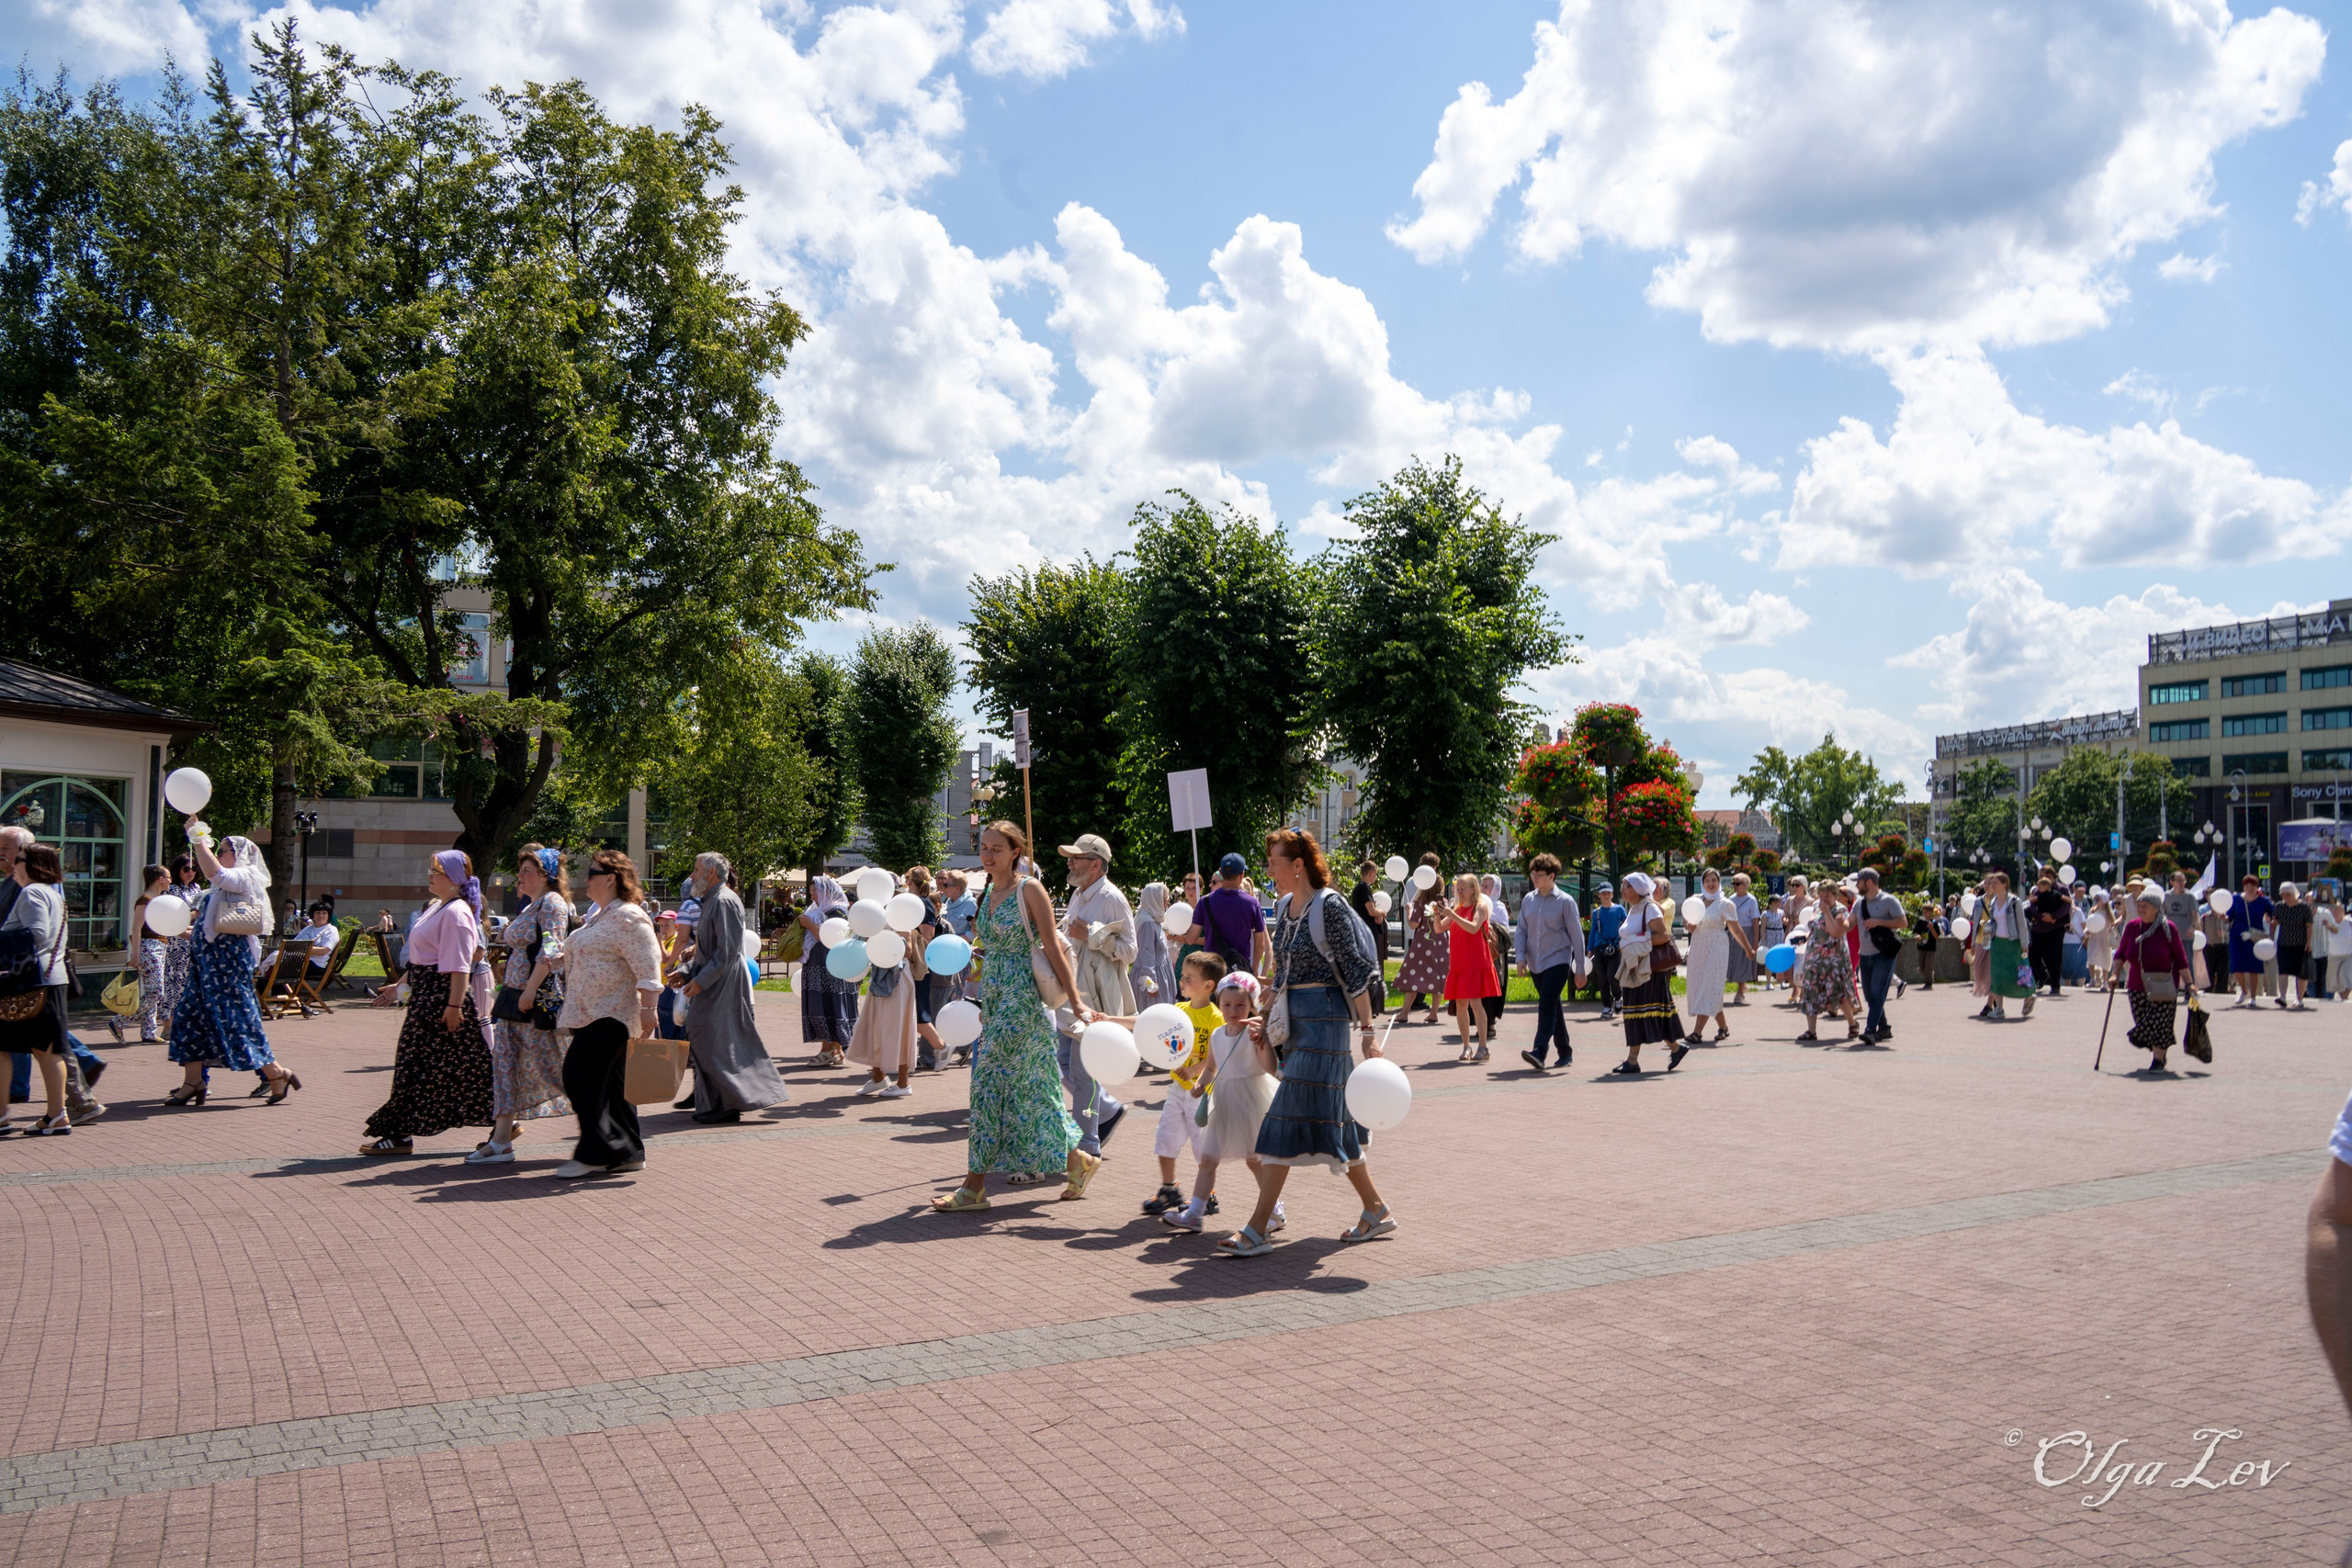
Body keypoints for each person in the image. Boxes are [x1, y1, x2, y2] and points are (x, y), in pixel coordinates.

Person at [1223, 827, 1387, 1258]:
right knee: (1336, 1122)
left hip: (1327, 1024)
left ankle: (1258, 1227)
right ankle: (1376, 1208)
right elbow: (1282, 973)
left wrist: (1368, 1034)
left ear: (1298, 865)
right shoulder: (1283, 906)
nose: (1269, 871)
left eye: (1275, 863)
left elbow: (1355, 972)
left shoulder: (1328, 905)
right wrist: (1265, 1016)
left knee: (1283, 1116)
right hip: (1296, 1023)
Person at [932, 821, 1095, 1212]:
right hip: (996, 998)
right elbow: (993, 946)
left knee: (989, 1090)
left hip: (1022, 1002)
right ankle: (1078, 1160)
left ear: (1015, 852)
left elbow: (1052, 947)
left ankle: (974, 1187)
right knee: (1032, 1093)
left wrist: (1075, 1000)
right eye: (984, 848)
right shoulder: (989, 890)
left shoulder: (1029, 889)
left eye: (997, 849)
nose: (988, 855)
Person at [356, 851, 490, 1155]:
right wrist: (400, 987)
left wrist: (454, 1007)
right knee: (441, 1066)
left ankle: (502, 1123)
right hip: (428, 998)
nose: (429, 875)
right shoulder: (439, 907)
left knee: (448, 1067)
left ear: (453, 878)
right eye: (429, 869)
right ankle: (502, 1122)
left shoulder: (456, 913)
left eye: (435, 871)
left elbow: (460, 966)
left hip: (442, 999)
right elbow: (421, 960)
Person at [156, 825, 296, 1111]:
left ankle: (276, 1074)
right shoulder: (218, 889)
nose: (218, 854)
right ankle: (193, 1082)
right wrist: (189, 931)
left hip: (228, 964)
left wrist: (198, 839)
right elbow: (211, 925)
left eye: (223, 850)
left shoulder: (245, 876)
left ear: (241, 854)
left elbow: (216, 872)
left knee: (237, 1022)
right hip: (205, 964)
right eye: (217, 850)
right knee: (189, 1018)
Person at [552, 852, 662, 1178]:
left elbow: (648, 963)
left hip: (611, 1015)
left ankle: (597, 1153)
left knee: (579, 1077)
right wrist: (558, 960)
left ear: (611, 878)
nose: (585, 879)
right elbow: (595, 953)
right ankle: (629, 1152)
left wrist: (650, 1010)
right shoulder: (600, 915)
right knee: (613, 1088)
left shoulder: (629, 916)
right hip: (589, 1013)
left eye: (592, 873)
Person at [471, 844, 573, 1164]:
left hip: (533, 1002)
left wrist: (530, 990)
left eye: (526, 871)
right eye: (520, 870)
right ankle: (501, 1141)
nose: (519, 876)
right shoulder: (531, 905)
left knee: (553, 1068)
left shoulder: (552, 903)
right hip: (513, 1000)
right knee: (504, 1065)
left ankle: (602, 1120)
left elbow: (551, 950)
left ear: (545, 875)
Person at [1160, 970, 1283, 1235]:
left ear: (1252, 1005)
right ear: (1220, 1003)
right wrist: (1200, 1085)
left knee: (1255, 1161)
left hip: (1252, 1101)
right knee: (1208, 1159)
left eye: (1240, 1005)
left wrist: (1264, 1041)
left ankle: (1275, 1210)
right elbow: (1211, 1068)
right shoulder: (1217, 1034)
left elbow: (1270, 1068)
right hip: (1224, 1101)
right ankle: (1194, 1214)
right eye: (1227, 1004)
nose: (1233, 1010)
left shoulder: (1254, 1033)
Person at [678, 852, 789, 1122]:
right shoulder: (714, 899)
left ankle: (727, 1105)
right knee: (708, 1038)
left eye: (696, 870)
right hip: (715, 981)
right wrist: (686, 972)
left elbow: (726, 952)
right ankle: (717, 1104)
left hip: (722, 983)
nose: (692, 875)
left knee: (712, 1038)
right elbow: (707, 950)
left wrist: (699, 982)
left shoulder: (724, 900)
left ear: (711, 873)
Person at [1057, 832, 1134, 1156]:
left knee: (1083, 1070)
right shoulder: (1079, 894)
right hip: (1073, 995)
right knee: (1062, 1062)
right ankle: (1108, 1109)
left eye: (1077, 858)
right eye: (1071, 858)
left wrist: (1091, 934)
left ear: (1096, 864)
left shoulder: (1112, 897)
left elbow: (1130, 950)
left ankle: (1088, 1144)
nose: (1070, 863)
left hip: (1095, 998)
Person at [0, 843, 80, 1135]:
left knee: (3, 1048)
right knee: (47, 1051)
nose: (13, 865)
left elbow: (37, 934)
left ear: (32, 865)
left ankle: (2, 1116)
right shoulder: (53, 894)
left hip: (30, 983)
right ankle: (56, 1116)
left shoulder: (32, 892)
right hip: (50, 980)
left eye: (18, 859)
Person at [1144, 951, 1228, 1218]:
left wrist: (1194, 1069)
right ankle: (1169, 1189)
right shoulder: (1178, 1011)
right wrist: (1110, 1019)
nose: (1182, 981)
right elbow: (1145, 1023)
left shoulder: (1216, 1017)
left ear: (1208, 985)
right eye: (1183, 975)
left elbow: (1217, 1054)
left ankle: (1208, 1196)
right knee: (1165, 1138)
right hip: (1177, 1089)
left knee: (1201, 1147)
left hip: (1201, 1093)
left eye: (1189, 977)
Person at [846, 870, 922, 1102]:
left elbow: (907, 951)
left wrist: (883, 941)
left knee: (897, 1027)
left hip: (897, 977)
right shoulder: (874, 912)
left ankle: (903, 1082)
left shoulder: (899, 912)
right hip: (880, 975)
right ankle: (878, 1076)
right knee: (874, 1024)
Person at [1514, 853, 1588, 1071]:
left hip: (1558, 961)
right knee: (1552, 1004)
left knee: (1546, 1003)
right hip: (1535, 962)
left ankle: (1539, 1051)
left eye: (1540, 874)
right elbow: (1521, 931)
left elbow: (1577, 936)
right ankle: (1565, 1052)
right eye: (1533, 874)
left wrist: (1580, 968)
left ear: (1552, 876)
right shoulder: (1529, 900)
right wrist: (1520, 958)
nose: (1535, 878)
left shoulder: (1565, 902)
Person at [1610, 874, 1688, 1073]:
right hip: (1635, 966)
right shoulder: (1634, 908)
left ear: (1638, 889)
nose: (1622, 889)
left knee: (1646, 1012)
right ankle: (1674, 1049)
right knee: (1637, 1012)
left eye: (1626, 886)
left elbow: (1662, 936)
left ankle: (1633, 1061)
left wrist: (1634, 941)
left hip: (1649, 968)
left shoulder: (1649, 908)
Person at [2114, 886, 2192, 1072]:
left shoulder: (2168, 928)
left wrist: (2190, 983)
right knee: (2144, 1023)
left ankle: (2158, 1059)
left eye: (2145, 906)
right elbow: (2121, 953)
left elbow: (2180, 958)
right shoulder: (2132, 927)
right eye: (2139, 905)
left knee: (2160, 1023)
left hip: (2164, 985)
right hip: (2137, 984)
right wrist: (2115, 974)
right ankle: (2159, 1050)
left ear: (2156, 908)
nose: (2140, 909)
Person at [1682, 867, 1753, 1044]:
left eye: (1714, 880)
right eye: (1707, 880)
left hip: (1717, 947)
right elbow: (1688, 924)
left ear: (1719, 882)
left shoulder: (1725, 903)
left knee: (1709, 987)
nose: (1711, 884)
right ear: (1702, 883)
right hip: (1698, 947)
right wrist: (1689, 924)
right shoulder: (1695, 900)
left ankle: (1697, 1033)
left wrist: (1747, 948)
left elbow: (1736, 929)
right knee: (1704, 988)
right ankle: (1723, 1027)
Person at [797, 874, 860, 1066]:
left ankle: (829, 1049)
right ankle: (835, 1049)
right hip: (821, 967)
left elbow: (829, 937)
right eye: (811, 894)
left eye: (815, 893)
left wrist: (809, 924)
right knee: (825, 1004)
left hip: (830, 969)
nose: (813, 898)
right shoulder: (821, 910)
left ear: (825, 892)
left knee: (828, 1005)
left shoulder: (838, 912)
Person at [1437, 873, 1499, 1063]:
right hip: (1459, 963)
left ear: (1474, 889)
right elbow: (1439, 929)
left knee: (1475, 1003)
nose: (1460, 892)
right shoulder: (1458, 908)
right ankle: (1466, 1046)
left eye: (1463, 889)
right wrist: (1437, 914)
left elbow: (1473, 928)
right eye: (1458, 889)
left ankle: (1483, 1046)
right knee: (1461, 1004)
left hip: (1475, 962)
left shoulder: (1480, 906)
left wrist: (1452, 915)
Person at [1182, 852, 1270, 978]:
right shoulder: (1252, 903)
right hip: (1239, 972)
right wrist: (1254, 968)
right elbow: (1260, 943)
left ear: (1221, 873)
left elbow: (1190, 939)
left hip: (1211, 971)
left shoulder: (1205, 901)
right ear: (1242, 874)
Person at [1796, 886, 1860, 1043]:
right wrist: (1806, 936)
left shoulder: (1841, 910)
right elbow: (1816, 927)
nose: (1823, 899)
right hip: (1814, 956)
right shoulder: (1817, 907)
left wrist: (1826, 912)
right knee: (1811, 990)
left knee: (1838, 992)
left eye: (1827, 896)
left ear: (1835, 896)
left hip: (1834, 957)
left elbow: (1835, 932)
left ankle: (1852, 1023)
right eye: (1821, 895)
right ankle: (1811, 1031)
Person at [1849, 867, 1905, 1043]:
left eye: (1859, 882)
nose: (1856, 886)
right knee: (1869, 995)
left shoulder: (1889, 900)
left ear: (1869, 882)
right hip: (1864, 955)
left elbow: (1903, 922)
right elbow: (1849, 923)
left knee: (1877, 992)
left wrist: (1878, 922)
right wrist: (1835, 920)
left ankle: (1870, 1030)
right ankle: (1884, 1028)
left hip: (1883, 954)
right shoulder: (1859, 904)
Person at [1973, 871, 2036, 1020]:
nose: (1992, 885)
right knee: (1997, 975)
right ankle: (1999, 1009)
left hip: (2013, 942)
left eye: (1995, 883)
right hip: (1997, 943)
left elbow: (2021, 924)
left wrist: (2024, 943)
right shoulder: (1993, 902)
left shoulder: (2014, 901)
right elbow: (1994, 922)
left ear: (2004, 884)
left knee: (2018, 973)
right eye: (1991, 883)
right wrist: (1987, 936)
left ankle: (2029, 996)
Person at [1395, 852, 1447, 1024]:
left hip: (1422, 944)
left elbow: (1413, 924)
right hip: (1440, 942)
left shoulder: (1419, 903)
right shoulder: (1442, 904)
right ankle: (1434, 1013)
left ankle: (1404, 1012)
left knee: (1414, 976)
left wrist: (1409, 910)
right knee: (1438, 977)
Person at [125, 863, 172, 1043]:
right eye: (168, 877)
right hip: (149, 948)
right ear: (160, 880)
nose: (170, 881)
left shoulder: (156, 900)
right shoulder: (145, 900)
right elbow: (136, 929)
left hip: (158, 947)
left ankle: (149, 1032)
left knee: (152, 991)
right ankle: (119, 1021)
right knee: (156, 992)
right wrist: (135, 955)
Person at [1348, 860, 1389, 1014]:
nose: (1375, 877)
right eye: (1375, 874)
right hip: (1367, 934)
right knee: (1371, 967)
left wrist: (1378, 916)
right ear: (1371, 873)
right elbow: (1371, 911)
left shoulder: (1360, 888)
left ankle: (1372, 1006)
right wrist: (1382, 912)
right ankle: (1370, 1006)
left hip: (1364, 931)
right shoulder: (1364, 888)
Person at [1130, 880, 1176, 1009]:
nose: (1167, 902)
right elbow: (1146, 953)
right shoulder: (1148, 923)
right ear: (1156, 900)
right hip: (1154, 976)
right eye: (1165, 898)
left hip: (1160, 972)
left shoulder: (1153, 917)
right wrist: (1150, 982)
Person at [2027, 872, 2070, 997]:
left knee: (2054, 957)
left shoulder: (2061, 890)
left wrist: (2054, 916)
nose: (2043, 877)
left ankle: (2055, 985)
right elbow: (2032, 904)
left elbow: (2067, 904)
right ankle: (2042, 975)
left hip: (2055, 927)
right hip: (2039, 927)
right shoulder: (2037, 891)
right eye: (2040, 875)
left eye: (2045, 875)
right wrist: (2040, 916)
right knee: (2033, 954)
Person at [2274, 882, 2316, 1010]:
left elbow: (2309, 926)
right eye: (2283, 894)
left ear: (2294, 894)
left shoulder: (2303, 907)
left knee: (2301, 973)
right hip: (2284, 944)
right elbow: (2276, 921)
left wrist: (2308, 943)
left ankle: (2299, 999)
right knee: (2283, 971)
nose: (2285, 897)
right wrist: (2272, 926)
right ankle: (2282, 997)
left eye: (2288, 894)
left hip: (2300, 945)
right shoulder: (2279, 906)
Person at [1478, 872, 1512, 1031]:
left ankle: (1490, 1023)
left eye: (1487, 886)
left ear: (1495, 889)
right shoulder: (1477, 904)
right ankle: (1480, 1023)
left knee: (1491, 986)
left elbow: (1504, 931)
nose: (1483, 889)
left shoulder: (1499, 907)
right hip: (1478, 951)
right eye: (1482, 885)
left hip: (1494, 955)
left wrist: (1489, 925)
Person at [1589, 883, 1625, 1020]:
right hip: (1599, 948)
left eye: (1608, 893)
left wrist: (1624, 942)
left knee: (1612, 976)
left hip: (1615, 948)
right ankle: (1606, 1006)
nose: (1606, 896)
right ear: (1599, 895)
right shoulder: (1596, 913)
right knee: (1602, 978)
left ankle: (1618, 997)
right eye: (1603, 893)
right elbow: (1593, 931)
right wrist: (1589, 950)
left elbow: (1627, 926)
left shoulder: (1619, 909)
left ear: (1612, 895)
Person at [1726, 872, 1760, 1005]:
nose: (1735, 886)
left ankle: (1740, 992)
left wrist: (1756, 939)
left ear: (1745, 885)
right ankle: (1741, 986)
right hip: (1732, 932)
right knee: (1733, 961)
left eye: (1738, 884)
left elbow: (1755, 920)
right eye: (1733, 883)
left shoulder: (1751, 900)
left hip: (1747, 932)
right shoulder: (1731, 899)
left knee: (1743, 961)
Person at [2082, 888, 2118, 993]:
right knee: (2091, 957)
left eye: (2099, 899)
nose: (2096, 900)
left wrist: (2112, 932)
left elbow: (2113, 925)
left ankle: (2104, 982)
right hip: (2094, 937)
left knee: (2105, 959)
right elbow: (2089, 923)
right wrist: (2087, 931)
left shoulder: (2108, 913)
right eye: (2096, 898)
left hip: (2104, 938)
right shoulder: (2092, 911)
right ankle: (2092, 979)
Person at [1910, 898, 1939, 993]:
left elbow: (1937, 936)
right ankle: (1930, 976)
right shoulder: (1920, 922)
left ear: (1931, 912)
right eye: (1923, 912)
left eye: (1926, 912)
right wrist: (1917, 936)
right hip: (1921, 947)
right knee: (1921, 966)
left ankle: (1928, 983)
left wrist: (1932, 928)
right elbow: (1915, 932)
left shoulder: (1934, 923)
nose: (1924, 914)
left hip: (1931, 948)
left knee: (1928, 965)